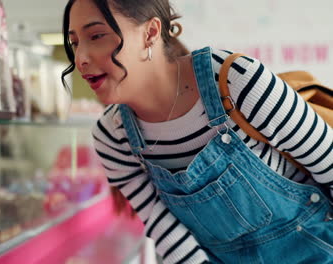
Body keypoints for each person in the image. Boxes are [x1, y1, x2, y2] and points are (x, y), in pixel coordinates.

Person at [61, 0, 333, 263]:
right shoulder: (112, 136)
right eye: (74, 43)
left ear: (150, 32)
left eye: (96, 36)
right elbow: (165, 229)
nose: (81, 58)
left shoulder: (236, 81)